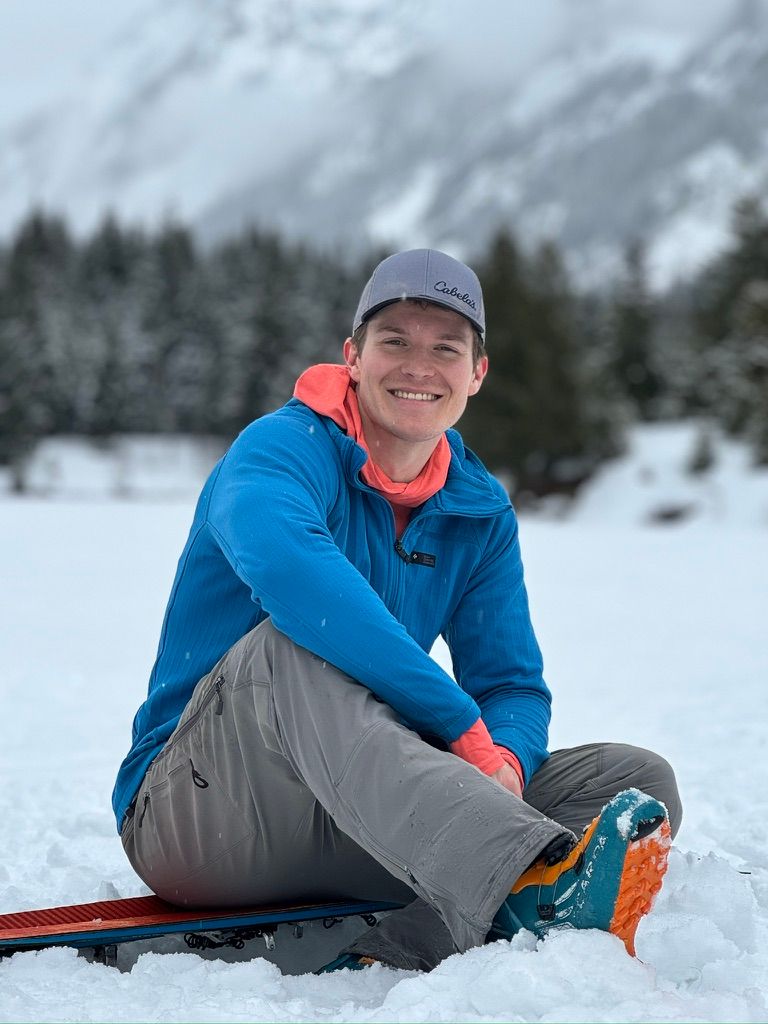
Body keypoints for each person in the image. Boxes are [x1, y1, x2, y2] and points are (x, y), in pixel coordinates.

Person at [113, 248, 682, 972]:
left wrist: (502, 758)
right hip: (204, 818)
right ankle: (525, 882)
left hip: (370, 814)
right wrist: (456, 724)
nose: (419, 366)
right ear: (353, 356)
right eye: (395, 343)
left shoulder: (477, 509)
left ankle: (408, 945)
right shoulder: (279, 451)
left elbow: (509, 683)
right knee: (288, 648)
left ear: (476, 374)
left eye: (446, 348)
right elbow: (294, 576)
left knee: (631, 784)